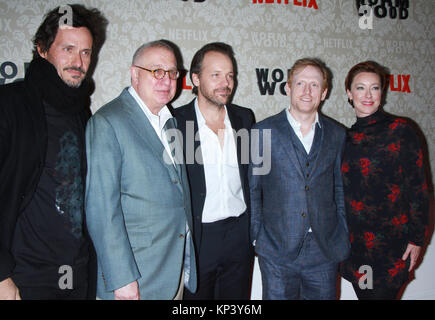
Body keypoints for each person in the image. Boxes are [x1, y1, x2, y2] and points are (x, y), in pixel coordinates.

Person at [0, 4, 107, 300]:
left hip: (76, 272)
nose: (79, 61)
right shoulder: (10, 104)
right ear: (42, 49)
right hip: (24, 277)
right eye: (68, 49)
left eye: (86, 52)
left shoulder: (83, 114)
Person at [85, 40, 196, 300]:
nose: (166, 80)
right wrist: (122, 280)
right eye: (156, 71)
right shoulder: (108, 122)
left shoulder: (170, 122)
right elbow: (101, 211)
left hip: (172, 271)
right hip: (134, 280)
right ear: (135, 74)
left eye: (172, 73)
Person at [249, 58, 350, 300]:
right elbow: (254, 189)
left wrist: (342, 232)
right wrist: (256, 236)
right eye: (300, 83)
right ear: (288, 87)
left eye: (314, 85)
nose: (307, 91)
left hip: (324, 250)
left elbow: (339, 189)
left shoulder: (337, 134)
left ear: (324, 92)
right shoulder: (262, 132)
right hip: (276, 249)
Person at [340, 61, 429, 300]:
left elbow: (418, 188)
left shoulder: (401, 130)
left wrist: (417, 238)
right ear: (349, 93)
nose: (368, 95)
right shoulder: (343, 138)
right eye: (360, 88)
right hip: (356, 248)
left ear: (382, 92)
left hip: (392, 247)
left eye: (375, 88)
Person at [174, 42, 255, 299]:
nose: (226, 83)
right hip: (199, 237)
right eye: (216, 75)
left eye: (230, 75)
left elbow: (255, 176)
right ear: (195, 78)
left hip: (239, 235)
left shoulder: (245, 118)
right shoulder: (176, 122)